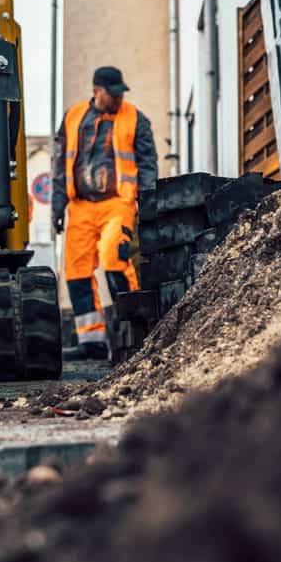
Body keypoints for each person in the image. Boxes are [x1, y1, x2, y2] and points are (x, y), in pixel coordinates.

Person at [51, 66, 158, 358]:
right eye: (114, 94)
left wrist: (146, 201)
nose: (119, 98)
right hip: (81, 206)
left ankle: (137, 334)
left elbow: (148, 163)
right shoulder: (73, 118)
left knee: (115, 260)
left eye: (121, 93)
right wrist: (57, 205)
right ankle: (91, 342)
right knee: (76, 272)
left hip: (118, 203)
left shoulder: (135, 118)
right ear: (97, 91)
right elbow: (60, 165)